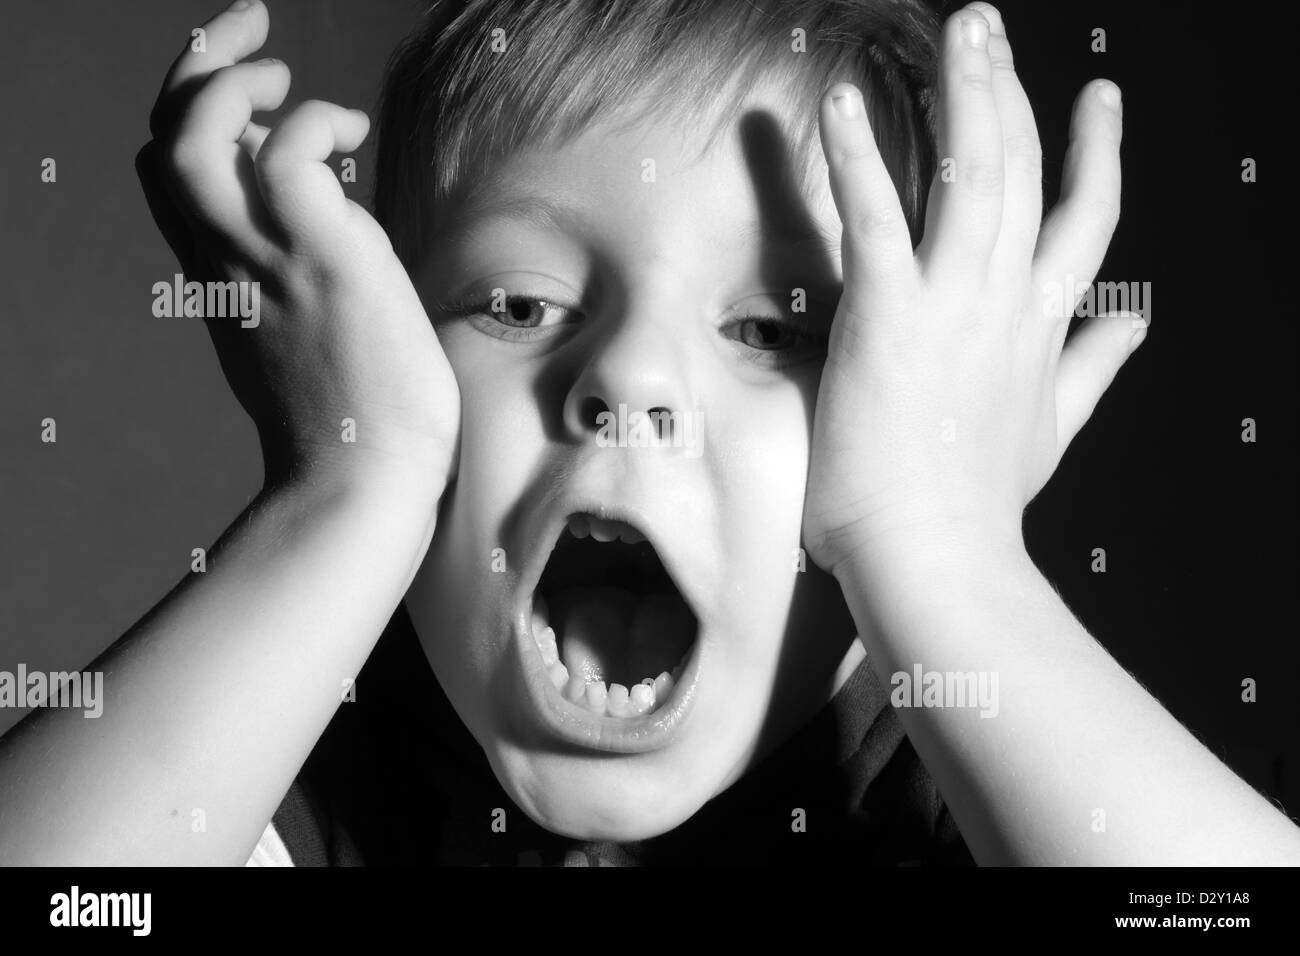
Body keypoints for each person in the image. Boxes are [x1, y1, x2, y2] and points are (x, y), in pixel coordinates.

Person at [2, 0, 1297, 866]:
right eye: (519, 304)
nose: (627, 378)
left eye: (771, 329)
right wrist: (344, 489)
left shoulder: (988, 779)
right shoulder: (271, 767)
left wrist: (942, 546)